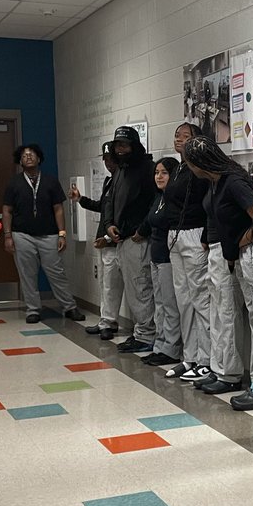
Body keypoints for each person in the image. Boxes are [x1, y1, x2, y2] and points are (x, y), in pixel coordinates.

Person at [183, 136, 253, 395]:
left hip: (240, 253)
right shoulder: (215, 182)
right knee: (220, 313)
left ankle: (236, 376)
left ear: (199, 162)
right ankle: (222, 370)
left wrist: (240, 242)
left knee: (233, 314)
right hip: (222, 251)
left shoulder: (233, 181)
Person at [2, 144, 84, 323]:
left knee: (56, 272)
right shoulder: (14, 183)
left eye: (32, 154)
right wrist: (7, 235)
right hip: (22, 235)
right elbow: (7, 210)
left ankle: (69, 307)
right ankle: (33, 309)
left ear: (39, 159)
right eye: (24, 155)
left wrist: (62, 234)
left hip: (49, 235)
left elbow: (58, 209)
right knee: (27, 274)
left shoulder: (50, 181)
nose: (28, 157)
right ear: (20, 161)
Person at [163, 123, 211, 382]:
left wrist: (206, 234)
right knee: (183, 300)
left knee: (200, 299)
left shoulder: (201, 169)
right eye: (177, 135)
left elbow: (207, 205)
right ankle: (190, 356)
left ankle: (207, 359)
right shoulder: (179, 168)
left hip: (194, 233)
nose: (179, 139)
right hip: (175, 235)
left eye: (186, 136)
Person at [103, 127, 156, 352]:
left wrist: (142, 230)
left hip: (138, 239)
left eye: (124, 145)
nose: (120, 149)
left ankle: (146, 334)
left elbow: (155, 203)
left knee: (141, 287)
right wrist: (109, 224)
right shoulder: (120, 170)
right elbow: (110, 201)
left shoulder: (148, 169)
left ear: (134, 145)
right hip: (122, 238)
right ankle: (141, 332)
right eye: (117, 145)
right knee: (134, 290)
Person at [69, 142, 124, 340]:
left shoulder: (124, 182)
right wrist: (81, 199)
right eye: (106, 159)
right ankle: (106, 320)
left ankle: (108, 322)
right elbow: (103, 207)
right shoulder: (109, 181)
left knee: (112, 285)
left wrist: (108, 238)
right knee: (105, 284)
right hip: (105, 241)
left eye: (111, 159)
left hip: (116, 241)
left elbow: (124, 214)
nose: (108, 163)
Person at [137, 157, 184, 368]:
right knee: (160, 304)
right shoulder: (159, 198)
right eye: (157, 173)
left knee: (170, 305)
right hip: (155, 257)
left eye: (164, 173)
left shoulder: (174, 200)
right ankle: (161, 343)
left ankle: (171, 348)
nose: (159, 176)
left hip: (168, 258)